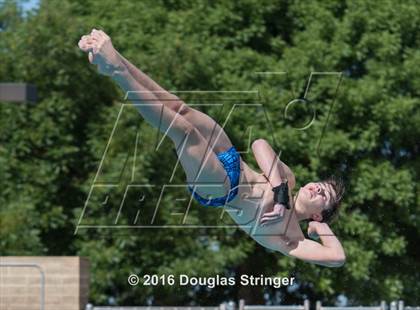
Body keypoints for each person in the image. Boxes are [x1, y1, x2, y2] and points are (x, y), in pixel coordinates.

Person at [78, 29, 346, 267]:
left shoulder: (290, 238)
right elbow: (259, 145)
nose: (317, 188)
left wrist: (319, 228)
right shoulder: (287, 181)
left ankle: (115, 69)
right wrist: (279, 194)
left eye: (324, 195)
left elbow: (337, 257)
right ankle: (115, 60)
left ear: (318, 213)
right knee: (179, 109)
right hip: (230, 158)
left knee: (185, 133)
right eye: (321, 184)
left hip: (221, 190)